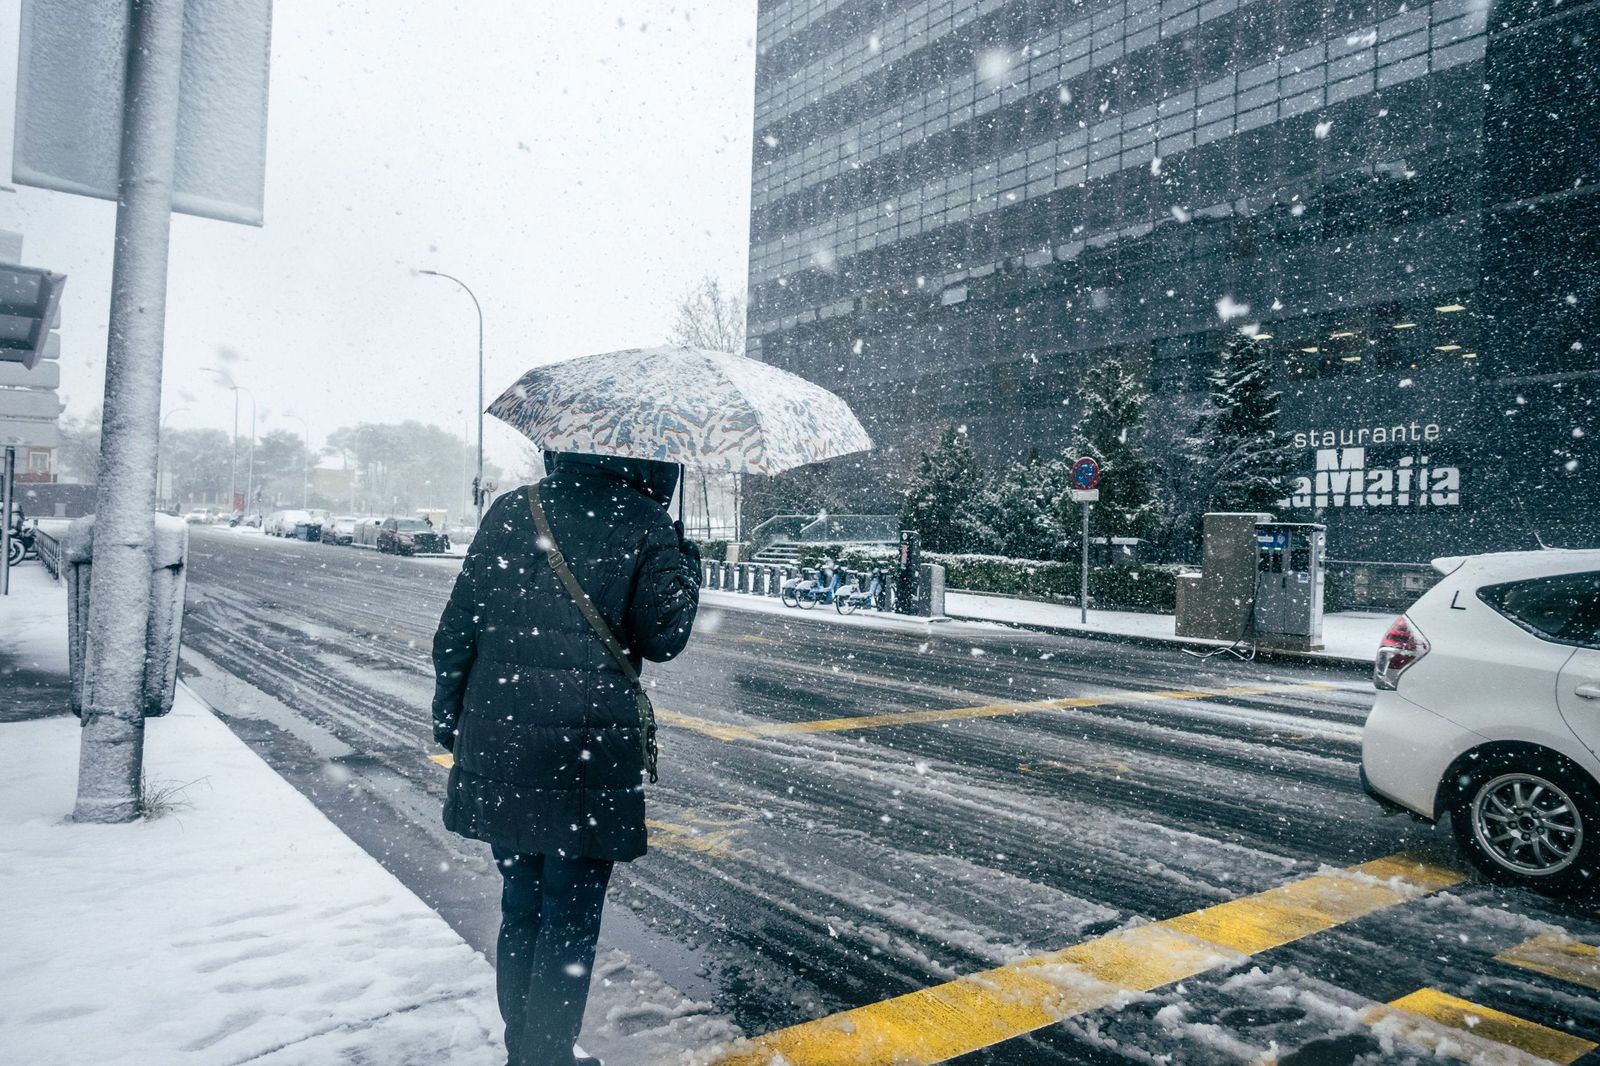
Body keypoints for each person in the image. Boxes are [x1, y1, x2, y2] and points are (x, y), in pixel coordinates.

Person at [431, 452, 701, 1066]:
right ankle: (546, 1057)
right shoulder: (643, 521)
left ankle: (526, 1051)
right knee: (569, 918)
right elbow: (663, 638)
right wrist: (682, 563)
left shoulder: (511, 510)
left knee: (521, 906)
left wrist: (452, 720)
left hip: (501, 742)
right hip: (584, 749)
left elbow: (457, 629)